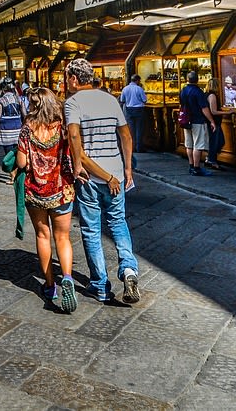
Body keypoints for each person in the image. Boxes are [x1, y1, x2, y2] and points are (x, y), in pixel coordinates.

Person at [64, 58, 141, 305]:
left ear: (75, 79)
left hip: (90, 177)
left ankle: (100, 285)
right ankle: (129, 269)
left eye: (67, 79)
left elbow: (74, 135)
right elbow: (126, 135)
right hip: (116, 174)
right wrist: (127, 168)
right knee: (118, 222)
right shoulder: (109, 99)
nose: (66, 83)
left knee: (91, 230)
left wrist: (78, 163)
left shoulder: (73, 102)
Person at [15, 86, 78, 313]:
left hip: (35, 191)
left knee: (43, 235)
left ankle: (50, 285)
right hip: (61, 189)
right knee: (63, 237)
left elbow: (22, 163)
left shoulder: (27, 129)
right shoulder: (62, 127)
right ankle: (68, 277)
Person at [179, 70, 213, 176]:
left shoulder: (183, 90)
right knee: (198, 145)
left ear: (187, 79)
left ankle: (191, 165)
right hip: (197, 120)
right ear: (197, 80)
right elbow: (204, 108)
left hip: (186, 120)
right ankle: (196, 167)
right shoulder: (198, 92)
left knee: (189, 145)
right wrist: (211, 121)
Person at [0, 80, 24, 183]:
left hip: (6, 128)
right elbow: (24, 112)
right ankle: (17, 173)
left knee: (8, 152)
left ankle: (12, 175)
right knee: (18, 150)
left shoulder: (1, 100)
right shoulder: (18, 99)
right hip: (17, 126)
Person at [120, 74, 147, 169]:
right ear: (138, 80)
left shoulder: (125, 89)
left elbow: (122, 100)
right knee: (139, 128)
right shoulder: (139, 89)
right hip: (139, 109)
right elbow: (144, 99)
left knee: (131, 129)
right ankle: (139, 147)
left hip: (128, 109)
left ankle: (132, 147)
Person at [204, 78, 229, 171]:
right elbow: (213, 111)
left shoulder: (206, 94)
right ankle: (212, 160)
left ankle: (210, 158)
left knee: (217, 141)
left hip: (212, 122)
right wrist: (226, 113)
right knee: (216, 141)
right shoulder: (212, 96)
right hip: (214, 122)